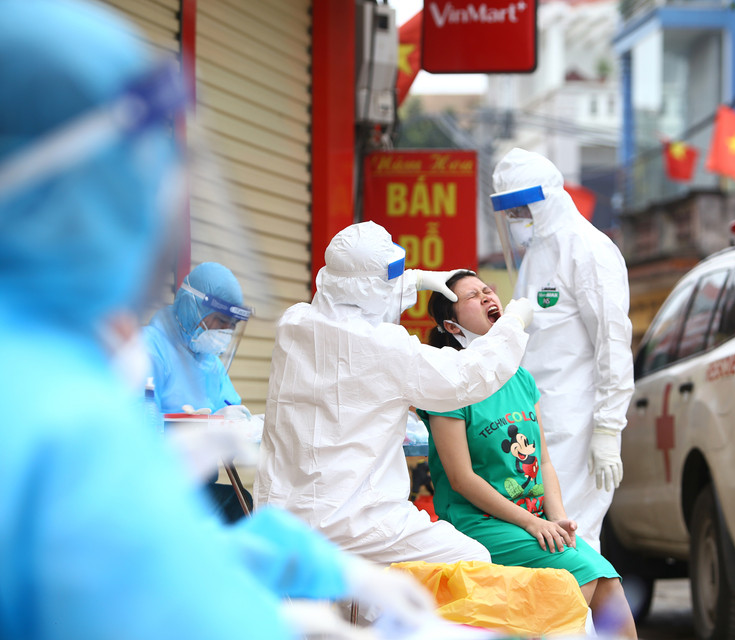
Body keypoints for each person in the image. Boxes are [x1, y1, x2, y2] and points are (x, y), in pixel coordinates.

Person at [0, 2, 432, 638]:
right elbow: (161, 599)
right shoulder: (61, 409)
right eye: (137, 181)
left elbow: (142, 549)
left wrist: (310, 565)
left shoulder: (46, 368)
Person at [254, 221, 535, 565]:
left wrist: (415, 279)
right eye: (392, 273)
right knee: (470, 559)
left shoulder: (295, 323)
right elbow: (466, 376)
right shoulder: (384, 347)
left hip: (281, 513)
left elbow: (359, 295)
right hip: (353, 519)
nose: (486, 297)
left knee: (362, 601)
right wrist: (513, 325)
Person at [417, 271, 637, 639]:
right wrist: (532, 523)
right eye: (473, 295)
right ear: (452, 326)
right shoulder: (448, 381)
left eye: (488, 289)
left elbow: (544, 462)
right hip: (480, 520)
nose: (488, 296)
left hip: (533, 518)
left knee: (608, 580)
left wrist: (558, 518)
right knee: (575, 585)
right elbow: (461, 478)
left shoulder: (519, 377)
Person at [491, 148, 634, 552]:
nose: (518, 219)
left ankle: (590, 618)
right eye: (511, 211)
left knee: (574, 537)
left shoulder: (589, 249)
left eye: (522, 208)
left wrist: (608, 427)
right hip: (536, 424)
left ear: (546, 199)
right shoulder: (537, 254)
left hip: (577, 423)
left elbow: (613, 343)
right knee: (547, 542)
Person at [143, 261, 254, 522]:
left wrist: (232, 423)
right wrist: (181, 430)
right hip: (153, 490)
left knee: (240, 504)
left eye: (232, 325)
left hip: (198, 487)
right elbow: (136, 427)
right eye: (221, 321)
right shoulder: (149, 348)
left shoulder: (210, 362)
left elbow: (231, 408)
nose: (225, 332)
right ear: (194, 307)